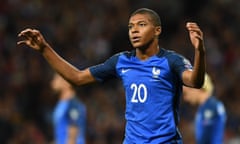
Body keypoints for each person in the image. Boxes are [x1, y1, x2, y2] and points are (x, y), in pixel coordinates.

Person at [17, 8, 206, 143]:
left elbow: (195, 82)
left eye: (141, 25)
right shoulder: (121, 61)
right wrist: (44, 48)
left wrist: (200, 52)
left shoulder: (171, 60)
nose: (134, 30)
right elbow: (77, 78)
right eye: (131, 26)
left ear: (157, 30)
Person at [182, 74, 227, 144]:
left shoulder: (210, 107)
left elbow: (206, 138)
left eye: (186, 93)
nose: (185, 98)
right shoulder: (206, 107)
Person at [51, 73, 87, 144]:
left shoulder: (74, 105)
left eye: (56, 79)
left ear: (66, 82)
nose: (52, 82)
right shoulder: (61, 104)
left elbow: (73, 133)